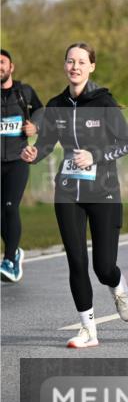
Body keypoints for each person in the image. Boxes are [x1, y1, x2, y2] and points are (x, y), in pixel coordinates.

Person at [21, 43, 128, 348]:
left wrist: (96, 155)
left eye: (81, 62)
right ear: (65, 66)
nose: (75, 66)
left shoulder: (104, 102)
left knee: (103, 267)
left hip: (104, 192)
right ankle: (88, 330)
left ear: (91, 67)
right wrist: (33, 153)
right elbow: (46, 143)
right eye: (70, 61)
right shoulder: (56, 104)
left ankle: (119, 286)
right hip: (68, 190)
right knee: (75, 261)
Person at [1, 48, 43, 283]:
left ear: (11, 67)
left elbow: (41, 111)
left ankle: (9, 260)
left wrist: (34, 127)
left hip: (17, 160)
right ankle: (14, 252)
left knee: (10, 207)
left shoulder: (23, 92)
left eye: (2, 62)